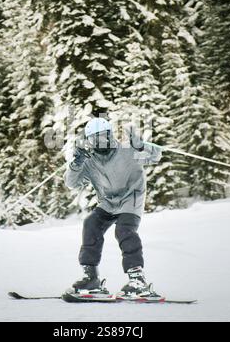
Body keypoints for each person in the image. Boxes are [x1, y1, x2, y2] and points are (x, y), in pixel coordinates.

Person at [64, 117, 162, 297]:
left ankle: (137, 279)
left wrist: (141, 146)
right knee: (91, 224)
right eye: (94, 139)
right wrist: (76, 164)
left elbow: (156, 155)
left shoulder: (127, 150)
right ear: (89, 141)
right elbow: (72, 183)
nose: (100, 142)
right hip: (108, 203)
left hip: (130, 198)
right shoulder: (89, 161)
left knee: (124, 230)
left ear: (110, 135)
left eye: (103, 137)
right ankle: (91, 277)